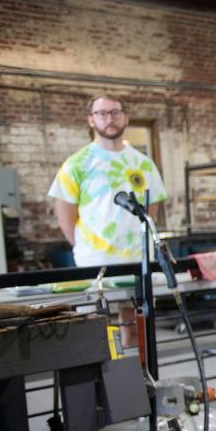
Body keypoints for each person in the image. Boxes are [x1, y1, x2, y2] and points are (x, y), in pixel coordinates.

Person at [48, 94, 167, 348]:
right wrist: (88, 247)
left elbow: (151, 212)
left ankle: (140, 385)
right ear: (91, 120)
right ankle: (104, 387)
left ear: (126, 117)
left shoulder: (143, 164)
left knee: (138, 335)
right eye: (102, 113)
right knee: (97, 336)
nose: (109, 119)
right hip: (96, 264)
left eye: (115, 112)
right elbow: (65, 219)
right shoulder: (76, 164)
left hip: (138, 261)